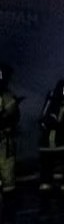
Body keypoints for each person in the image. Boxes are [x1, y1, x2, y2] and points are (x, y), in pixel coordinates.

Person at [0, 64, 21, 196]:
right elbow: (15, 117)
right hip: (4, 141)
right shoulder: (8, 97)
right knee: (7, 169)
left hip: (4, 138)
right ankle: (9, 202)